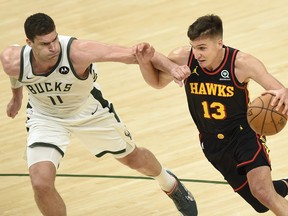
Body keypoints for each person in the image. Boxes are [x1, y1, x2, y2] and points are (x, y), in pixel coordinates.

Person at [0, 13, 198, 216]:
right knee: (41, 184)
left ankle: (170, 183)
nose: (53, 48)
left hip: (88, 111)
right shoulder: (11, 60)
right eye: (44, 44)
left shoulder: (77, 52)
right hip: (45, 117)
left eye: (55, 40)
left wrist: (173, 67)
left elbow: (137, 54)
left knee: (133, 159)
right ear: (29, 43)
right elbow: (15, 74)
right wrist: (17, 97)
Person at [134, 14, 288, 215]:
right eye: (194, 47)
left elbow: (279, 92)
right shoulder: (184, 58)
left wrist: (283, 92)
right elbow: (156, 82)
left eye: (202, 48)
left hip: (244, 136)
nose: (197, 54)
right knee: (260, 203)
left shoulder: (242, 63)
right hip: (212, 143)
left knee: (263, 193)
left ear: (219, 43)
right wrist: (145, 63)